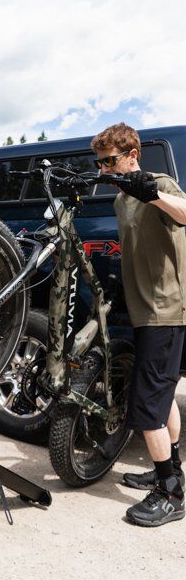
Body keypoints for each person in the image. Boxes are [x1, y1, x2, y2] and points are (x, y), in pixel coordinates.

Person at [91, 122, 186, 527]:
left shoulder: (157, 183)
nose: (105, 170)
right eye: (100, 163)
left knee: (146, 406)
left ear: (132, 155)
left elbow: (184, 212)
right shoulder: (120, 199)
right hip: (144, 307)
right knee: (161, 396)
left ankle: (171, 493)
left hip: (166, 309)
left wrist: (152, 191)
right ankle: (172, 469)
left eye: (111, 161)